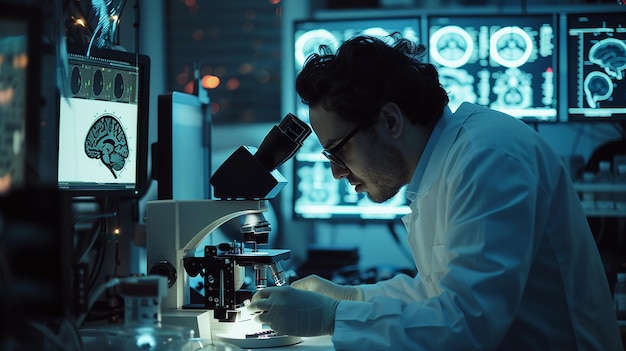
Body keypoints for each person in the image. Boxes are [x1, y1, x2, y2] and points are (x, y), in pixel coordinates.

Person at [246, 34, 623, 350]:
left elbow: (467, 322)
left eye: (339, 149)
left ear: (391, 121)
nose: (335, 172)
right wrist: (353, 297)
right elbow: (438, 293)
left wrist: (331, 317)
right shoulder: (447, 163)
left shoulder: (486, 157)